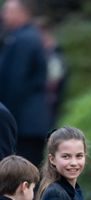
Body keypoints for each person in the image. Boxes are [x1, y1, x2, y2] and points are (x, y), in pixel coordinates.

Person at [0, 0, 50, 167]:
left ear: (22, 13)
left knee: (22, 176)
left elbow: (15, 81)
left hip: (24, 123)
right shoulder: (23, 37)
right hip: (26, 121)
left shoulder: (24, 40)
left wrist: (5, 117)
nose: (3, 15)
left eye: (7, 11)